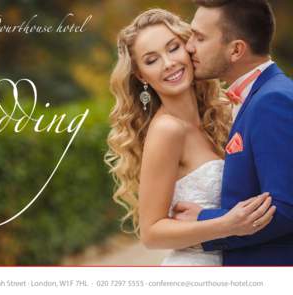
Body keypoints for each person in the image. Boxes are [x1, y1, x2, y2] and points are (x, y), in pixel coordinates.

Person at [105, 8, 275, 265]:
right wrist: (225, 225)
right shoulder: (167, 130)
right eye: (152, 60)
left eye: (173, 48)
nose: (169, 63)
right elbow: (151, 234)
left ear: (189, 48)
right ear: (141, 76)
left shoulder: (220, 115)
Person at [173, 0, 293, 265]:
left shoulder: (272, 102)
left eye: (200, 37)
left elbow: (286, 208)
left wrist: (205, 223)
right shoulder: (257, 97)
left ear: (236, 50)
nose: (189, 46)